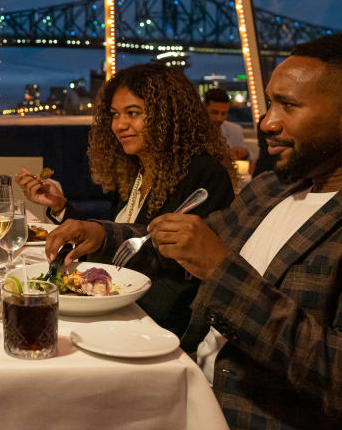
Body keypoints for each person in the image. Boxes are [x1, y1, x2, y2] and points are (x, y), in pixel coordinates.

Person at [48, 33, 342, 430]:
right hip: (190, 421)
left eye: (288, 105)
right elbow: (178, 245)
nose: (267, 121)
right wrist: (101, 232)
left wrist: (222, 270)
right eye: (268, 103)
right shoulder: (273, 190)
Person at [18, 63, 236, 339]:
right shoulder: (137, 171)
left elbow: (179, 266)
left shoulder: (203, 175)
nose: (119, 125)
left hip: (158, 324)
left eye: (133, 113)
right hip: (117, 305)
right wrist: (60, 207)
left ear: (167, 117)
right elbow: (117, 239)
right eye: (115, 115)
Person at [204, 87, 252, 162]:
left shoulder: (235, 130)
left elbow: (249, 158)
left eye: (223, 113)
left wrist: (245, 154)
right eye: (214, 113)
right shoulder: (194, 132)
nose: (219, 118)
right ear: (204, 109)